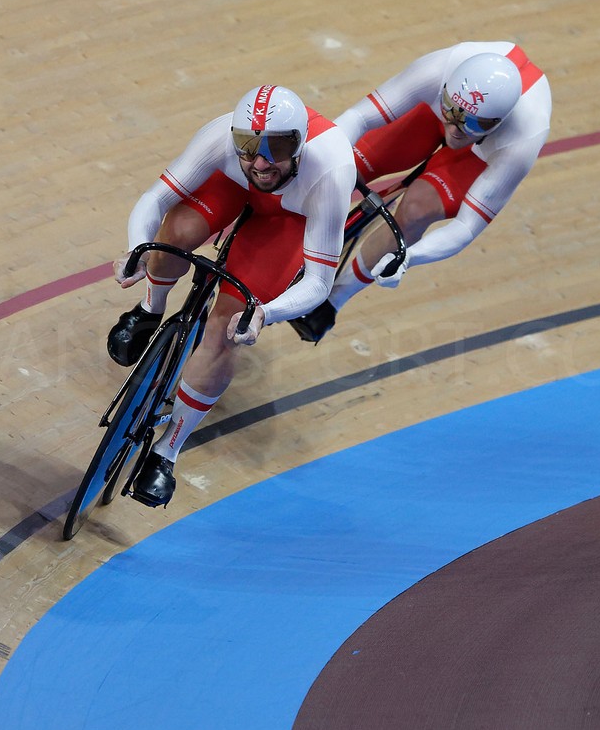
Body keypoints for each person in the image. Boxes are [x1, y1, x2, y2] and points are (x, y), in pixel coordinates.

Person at [107, 84, 356, 507]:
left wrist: (266, 314)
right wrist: (137, 250)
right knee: (171, 238)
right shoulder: (219, 137)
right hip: (230, 187)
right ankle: (151, 309)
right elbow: (155, 199)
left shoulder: (331, 170)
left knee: (226, 331)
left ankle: (166, 451)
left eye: (276, 149)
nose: (260, 163)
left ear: (300, 144)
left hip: (289, 219)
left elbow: (319, 281)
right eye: (248, 148)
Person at [288, 41, 552, 342]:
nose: (455, 129)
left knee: (416, 210)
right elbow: (358, 118)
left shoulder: (522, 139)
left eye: (472, 123)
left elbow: (466, 227)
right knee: (350, 164)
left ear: (498, 122)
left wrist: (408, 257)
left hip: (479, 153)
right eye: (453, 110)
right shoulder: (438, 69)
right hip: (430, 115)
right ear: (447, 89)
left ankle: (335, 299)